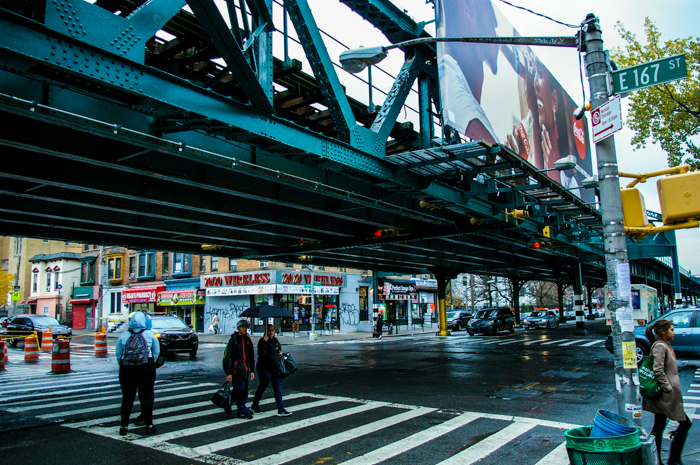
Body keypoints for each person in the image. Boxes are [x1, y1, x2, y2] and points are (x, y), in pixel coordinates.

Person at [643, 318, 692, 465]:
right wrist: (668, 387)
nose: (674, 333)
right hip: (665, 396)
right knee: (684, 423)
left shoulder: (665, 345)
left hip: (665, 395)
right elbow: (658, 369)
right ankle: (673, 459)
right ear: (663, 332)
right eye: (671, 330)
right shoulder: (660, 346)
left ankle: (659, 459)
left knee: (658, 426)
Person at [115, 312, 160, 436]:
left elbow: (118, 355)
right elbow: (156, 352)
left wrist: (124, 365)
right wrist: (149, 363)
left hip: (127, 369)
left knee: (127, 398)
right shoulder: (150, 335)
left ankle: (123, 427)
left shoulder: (123, 336)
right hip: (146, 368)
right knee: (146, 396)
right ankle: (149, 425)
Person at [250, 324, 292, 417]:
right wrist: (264, 343)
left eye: (272, 330)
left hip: (275, 368)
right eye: (269, 330)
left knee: (277, 388)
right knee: (263, 387)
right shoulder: (263, 341)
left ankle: (281, 409)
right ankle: (254, 405)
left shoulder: (275, 340)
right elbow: (262, 354)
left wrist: (280, 353)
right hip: (265, 368)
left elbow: (278, 350)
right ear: (266, 331)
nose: (271, 332)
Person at [224, 319, 255, 419]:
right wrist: (228, 372)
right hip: (236, 370)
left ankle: (241, 409)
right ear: (238, 328)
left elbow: (251, 356)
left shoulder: (248, 340)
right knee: (240, 389)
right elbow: (229, 356)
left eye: (246, 327)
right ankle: (230, 402)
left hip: (245, 369)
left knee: (244, 390)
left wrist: (252, 370)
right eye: (243, 327)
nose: (245, 329)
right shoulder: (234, 340)